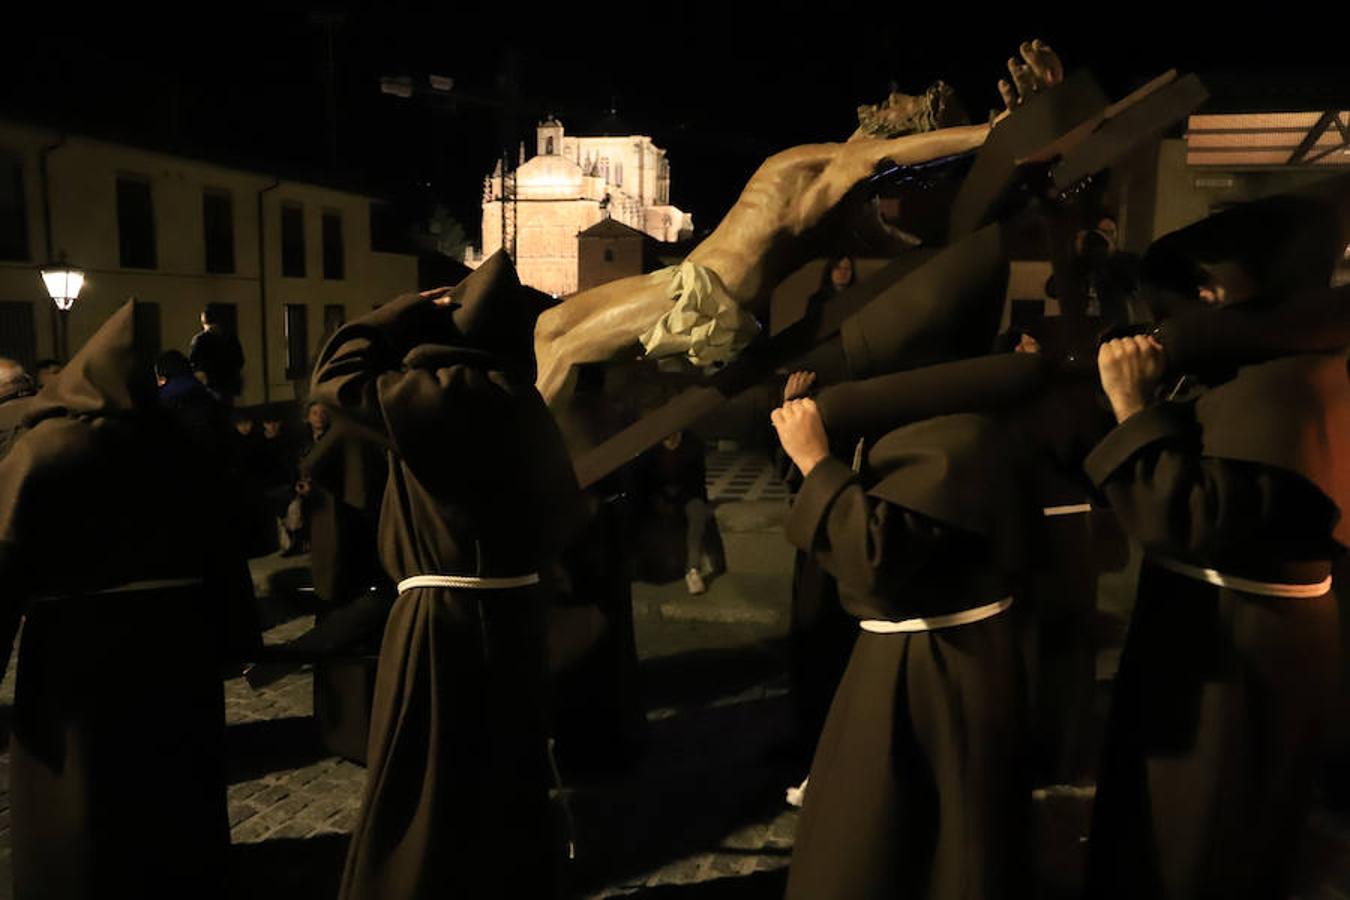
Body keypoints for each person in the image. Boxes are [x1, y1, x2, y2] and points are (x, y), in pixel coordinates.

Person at [533, 41, 1064, 403]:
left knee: (566, 352)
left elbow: (887, 159)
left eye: (897, 105)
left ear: (903, 130)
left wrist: (989, 132)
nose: (879, 103)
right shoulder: (839, 206)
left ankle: (510, 467)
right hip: (688, 284)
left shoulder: (825, 164)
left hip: (701, 295)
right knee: (548, 327)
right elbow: (914, 243)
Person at [1082, 189, 1350, 899]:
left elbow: (1189, 518)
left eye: (1201, 293)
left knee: (1197, 838)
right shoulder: (1287, 360)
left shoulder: (1284, 386)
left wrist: (1132, 411)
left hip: (1239, 655)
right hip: (1231, 634)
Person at [309, 251, 587, 900]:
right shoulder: (524, 403)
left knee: (425, 769)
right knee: (504, 769)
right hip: (515, 616)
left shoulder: (437, 395)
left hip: (439, 622)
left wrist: (392, 315)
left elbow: (334, 379)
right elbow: (567, 515)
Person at [773, 394, 1033, 900]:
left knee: (901, 840)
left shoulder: (958, 438)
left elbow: (874, 564)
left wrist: (815, 461)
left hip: (938, 663)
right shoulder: (951, 427)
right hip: (919, 656)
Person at [188, 304, 245, 401]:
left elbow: (194, 363)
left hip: (211, 386)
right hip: (229, 385)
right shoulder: (230, 338)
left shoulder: (200, 340)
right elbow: (240, 360)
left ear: (203, 322)